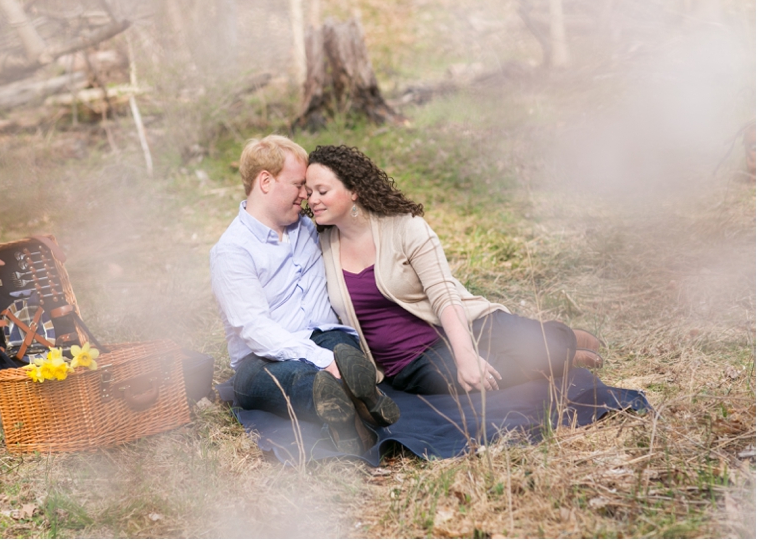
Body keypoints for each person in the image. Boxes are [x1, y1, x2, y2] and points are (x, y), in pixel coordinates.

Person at [305, 144, 604, 396]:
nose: (313, 200)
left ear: (354, 190)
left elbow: (444, 293)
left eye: (322, 191)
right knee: (491, 379)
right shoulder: (319, 246)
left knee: (543, 348)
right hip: (412, 361)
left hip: (465, 322)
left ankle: (563, 339)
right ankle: (559, 357)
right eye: (308, 193)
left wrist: (464, 353)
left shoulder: (405, 227)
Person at [210, 135, 400, 455]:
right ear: (266, 182)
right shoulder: (232, 252)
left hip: (323, 337)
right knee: (302, 377)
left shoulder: (308, 228)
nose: (306, 196)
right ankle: (346, 410)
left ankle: (352, 405)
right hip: (262, 360)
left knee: (343, 349)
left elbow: (352, 217)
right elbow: (256, 330)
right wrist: (323, 361)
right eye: (299, 185)